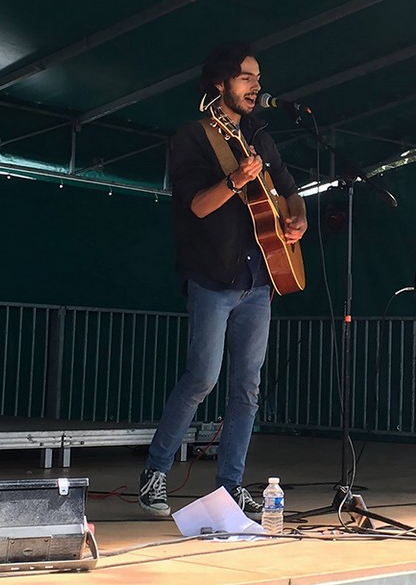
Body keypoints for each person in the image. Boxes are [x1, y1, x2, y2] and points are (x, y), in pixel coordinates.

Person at [138, 42, 308, 519]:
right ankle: (155, 471)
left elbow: (291, 191)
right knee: (202, 378)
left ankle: (230, 486)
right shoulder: (193, 136)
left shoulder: (259, 136)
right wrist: (235, 180)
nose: (256, 86)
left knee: (247, 388)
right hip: (214, 277)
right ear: (220, 84)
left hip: (260, 277)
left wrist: (298, 220)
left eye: (258, 78)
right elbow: (196, 205)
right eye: (246, 78)